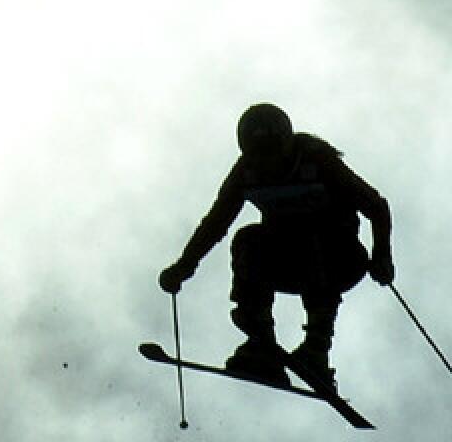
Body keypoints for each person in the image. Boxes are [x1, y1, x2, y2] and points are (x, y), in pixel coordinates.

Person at [158, 103, 394, 389]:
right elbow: (216, 223)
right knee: (247, 241)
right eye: (258, 156)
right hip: (288, 260)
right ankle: (262, 341)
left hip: (339, 260)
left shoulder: (318, 161)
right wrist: (184, 267)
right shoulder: (247, 172)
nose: (266, 163)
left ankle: (316, 347)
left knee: (310, 235)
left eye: (271, 154)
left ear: (286, 144)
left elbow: (376, 208)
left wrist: (382, 255)